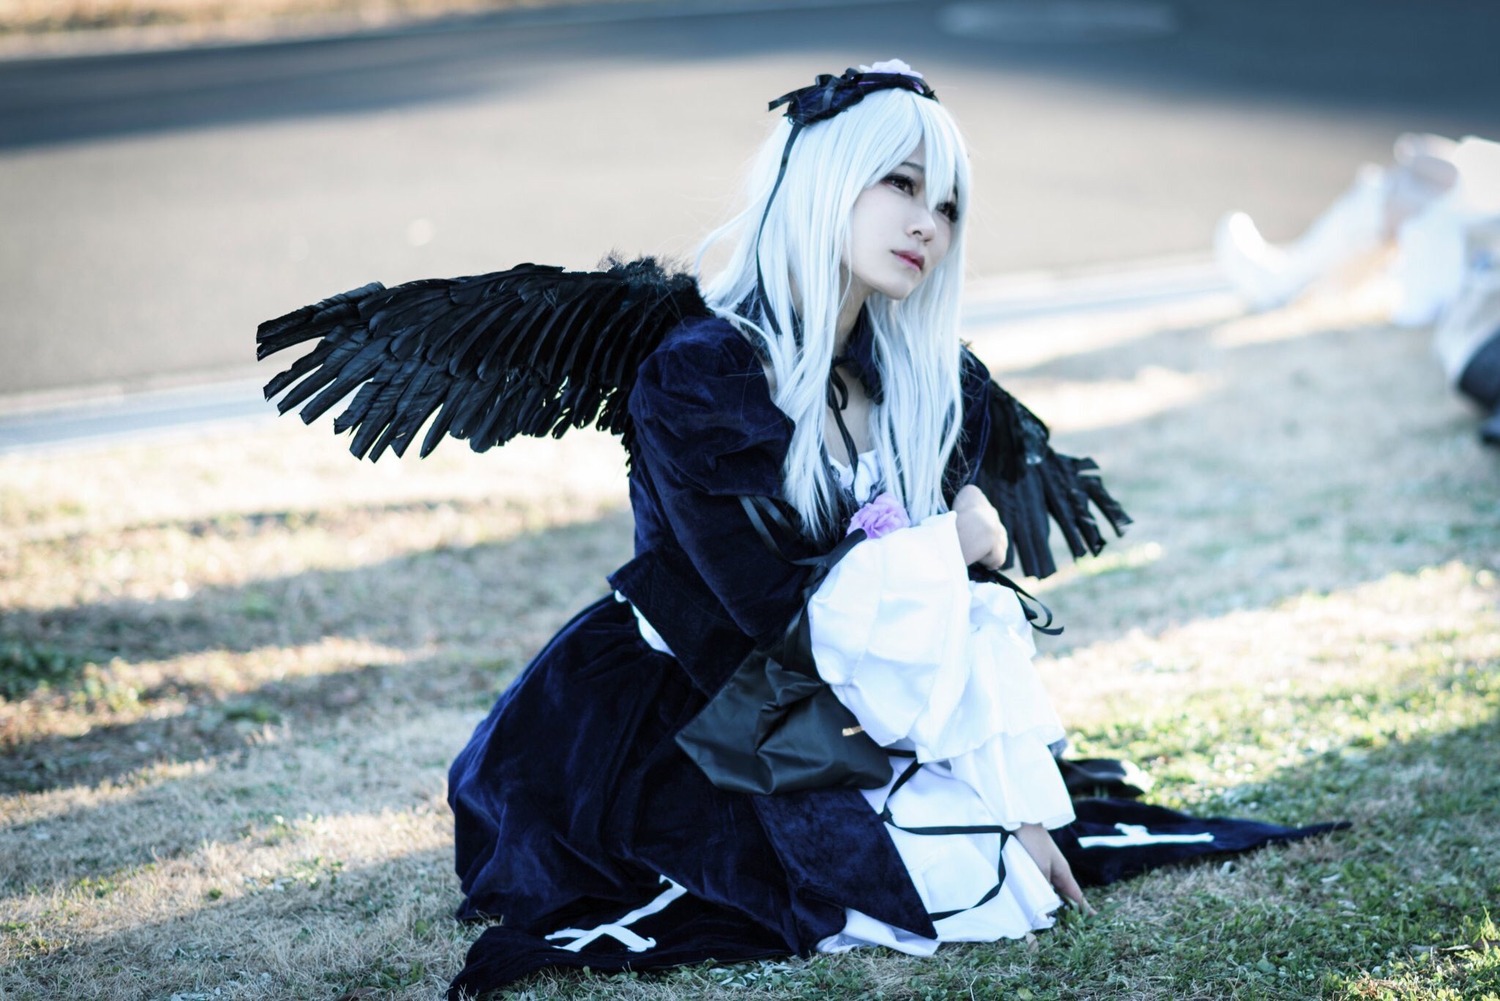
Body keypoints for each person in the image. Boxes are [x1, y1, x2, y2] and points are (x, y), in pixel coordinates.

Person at [442, 61, 1100, 994]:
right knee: (960, 887)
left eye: (947, 205)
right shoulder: (703, 374)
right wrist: (950, 544)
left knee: (1019, 862)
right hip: (696, 705)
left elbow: (947, 630)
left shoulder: (923, 386)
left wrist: (1016, 806)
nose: (929, 224)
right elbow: (769, 617)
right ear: (828, 180)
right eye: (901, 185)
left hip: (842, 695)